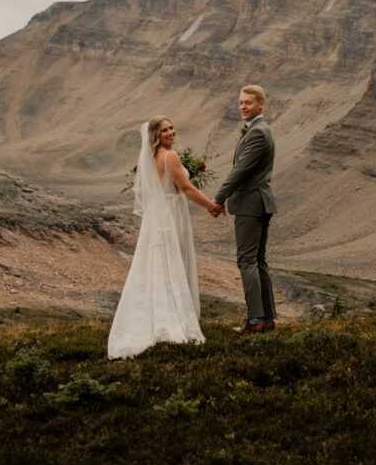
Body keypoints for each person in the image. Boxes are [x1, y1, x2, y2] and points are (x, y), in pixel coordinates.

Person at [108, 115, 222, 359]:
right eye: (164, 131)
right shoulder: (170, 156)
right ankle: (172, 319)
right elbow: (186, 188)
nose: (171, 132)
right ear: (155, 136)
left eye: (172, 128)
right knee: (171, 263)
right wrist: (211, 206)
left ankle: (153, 316)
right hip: (170, 215)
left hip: (156, 215)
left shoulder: (151, 157)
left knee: (156, 265)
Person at [210, 84, 277, 333]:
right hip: (259, 202)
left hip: (252, 203)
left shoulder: (258, 132)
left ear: (261, 104)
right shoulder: (257, 130)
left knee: (246, 260)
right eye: (240, 102)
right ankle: (267, 319)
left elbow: (240, 170)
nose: (243, 107)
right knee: (258, 261)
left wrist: (218, 199)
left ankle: (255, 320)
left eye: (248, 102)